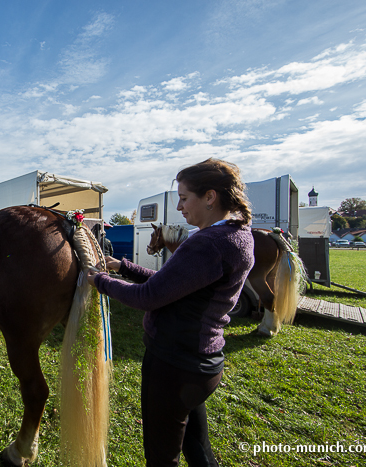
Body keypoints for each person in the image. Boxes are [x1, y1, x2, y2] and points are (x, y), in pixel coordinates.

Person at [87, 158, 255, 467]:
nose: (179, 208)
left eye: (184, 197)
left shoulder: (208, 243)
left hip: (174, 365)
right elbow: (170, 286)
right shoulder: (238, 235)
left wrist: (100, 281)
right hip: (200, 363)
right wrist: (123, 266)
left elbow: (150, 297)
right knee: (199, 450)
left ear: (210, 197)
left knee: (161, 457)